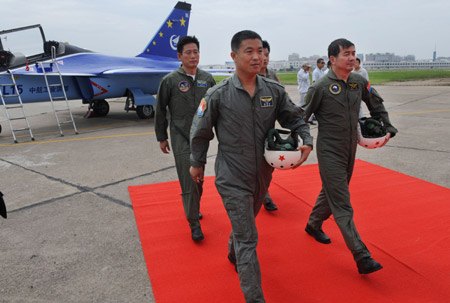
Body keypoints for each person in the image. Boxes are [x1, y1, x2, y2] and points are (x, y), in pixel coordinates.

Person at [190, 30, 313, 303]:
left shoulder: (273, 91)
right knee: (248, 238)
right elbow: (200, 130)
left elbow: (296, 118)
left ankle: (233, 252)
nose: (257, 56)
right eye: (249, 51)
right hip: (231, 175)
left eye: (260, 50)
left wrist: (306, 139)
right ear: (234, 56)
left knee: (245, 225)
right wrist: (196, 163)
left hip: (262, 175)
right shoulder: (217, 94)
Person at [302, 38, 398, 275]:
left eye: (353, 53)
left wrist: (387, 126)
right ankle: (361, 255)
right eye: (346, 54)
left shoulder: (358, 81)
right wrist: (302, 142)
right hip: (329, 149)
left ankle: (313, 224)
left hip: (350, 147)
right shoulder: (320, 87)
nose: (352, 58)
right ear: (332, 59)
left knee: (333, 190)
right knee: (342, 202)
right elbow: (301, 117)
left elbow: (376, 104)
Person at [154, 36, 216, 242]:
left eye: (196, 52)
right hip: (180, 136)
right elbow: (160, 110)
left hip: (201, 137)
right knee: (188, 179)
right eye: (188, 52)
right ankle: (194, 223)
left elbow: (217, 108)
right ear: (179, 56)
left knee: (199, 179)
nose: (193, 56)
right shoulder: (170, 81)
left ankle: (194, 207)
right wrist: (162, 137)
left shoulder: (207, 79)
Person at [258, 40, 279, 212]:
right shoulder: (252, 75)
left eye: (266, 54)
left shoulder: (273, 76)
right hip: (252, 128)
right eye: (261, 54)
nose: (264, 58)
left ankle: (263, 191)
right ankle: (264, 196)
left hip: (269, 128)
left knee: (268, 166)